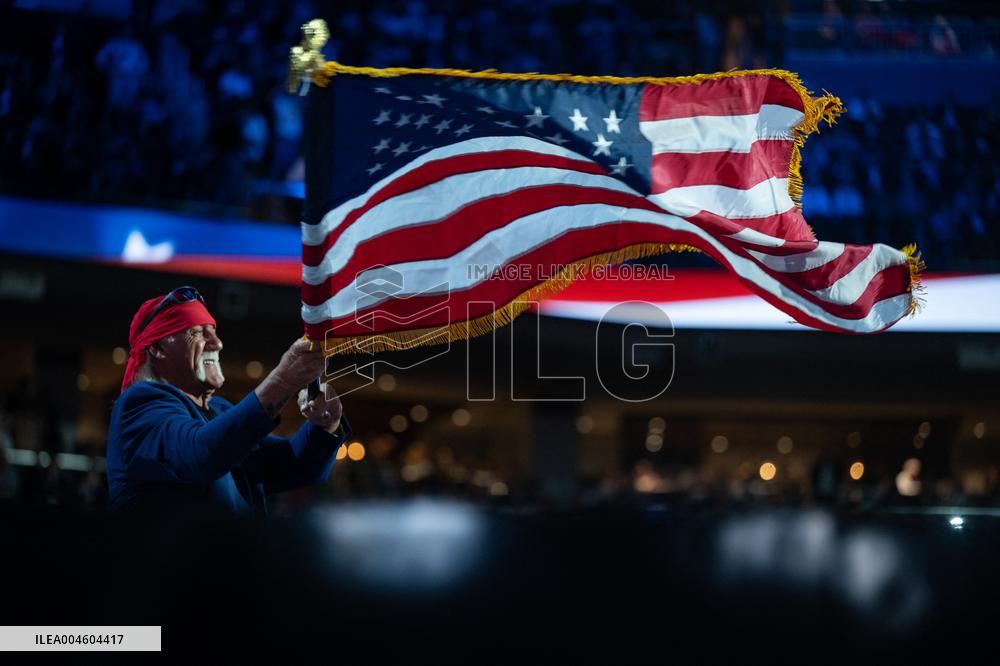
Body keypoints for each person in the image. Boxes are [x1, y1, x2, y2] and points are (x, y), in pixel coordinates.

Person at [107, 286, 351, 518]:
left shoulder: (218, 409)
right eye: (198, 333)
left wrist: (325, 425)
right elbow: (202, 453)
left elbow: (292, 466)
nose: (217, 343)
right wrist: (283, 380)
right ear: (158, 348)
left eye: (213, 331)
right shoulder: (138, 405)